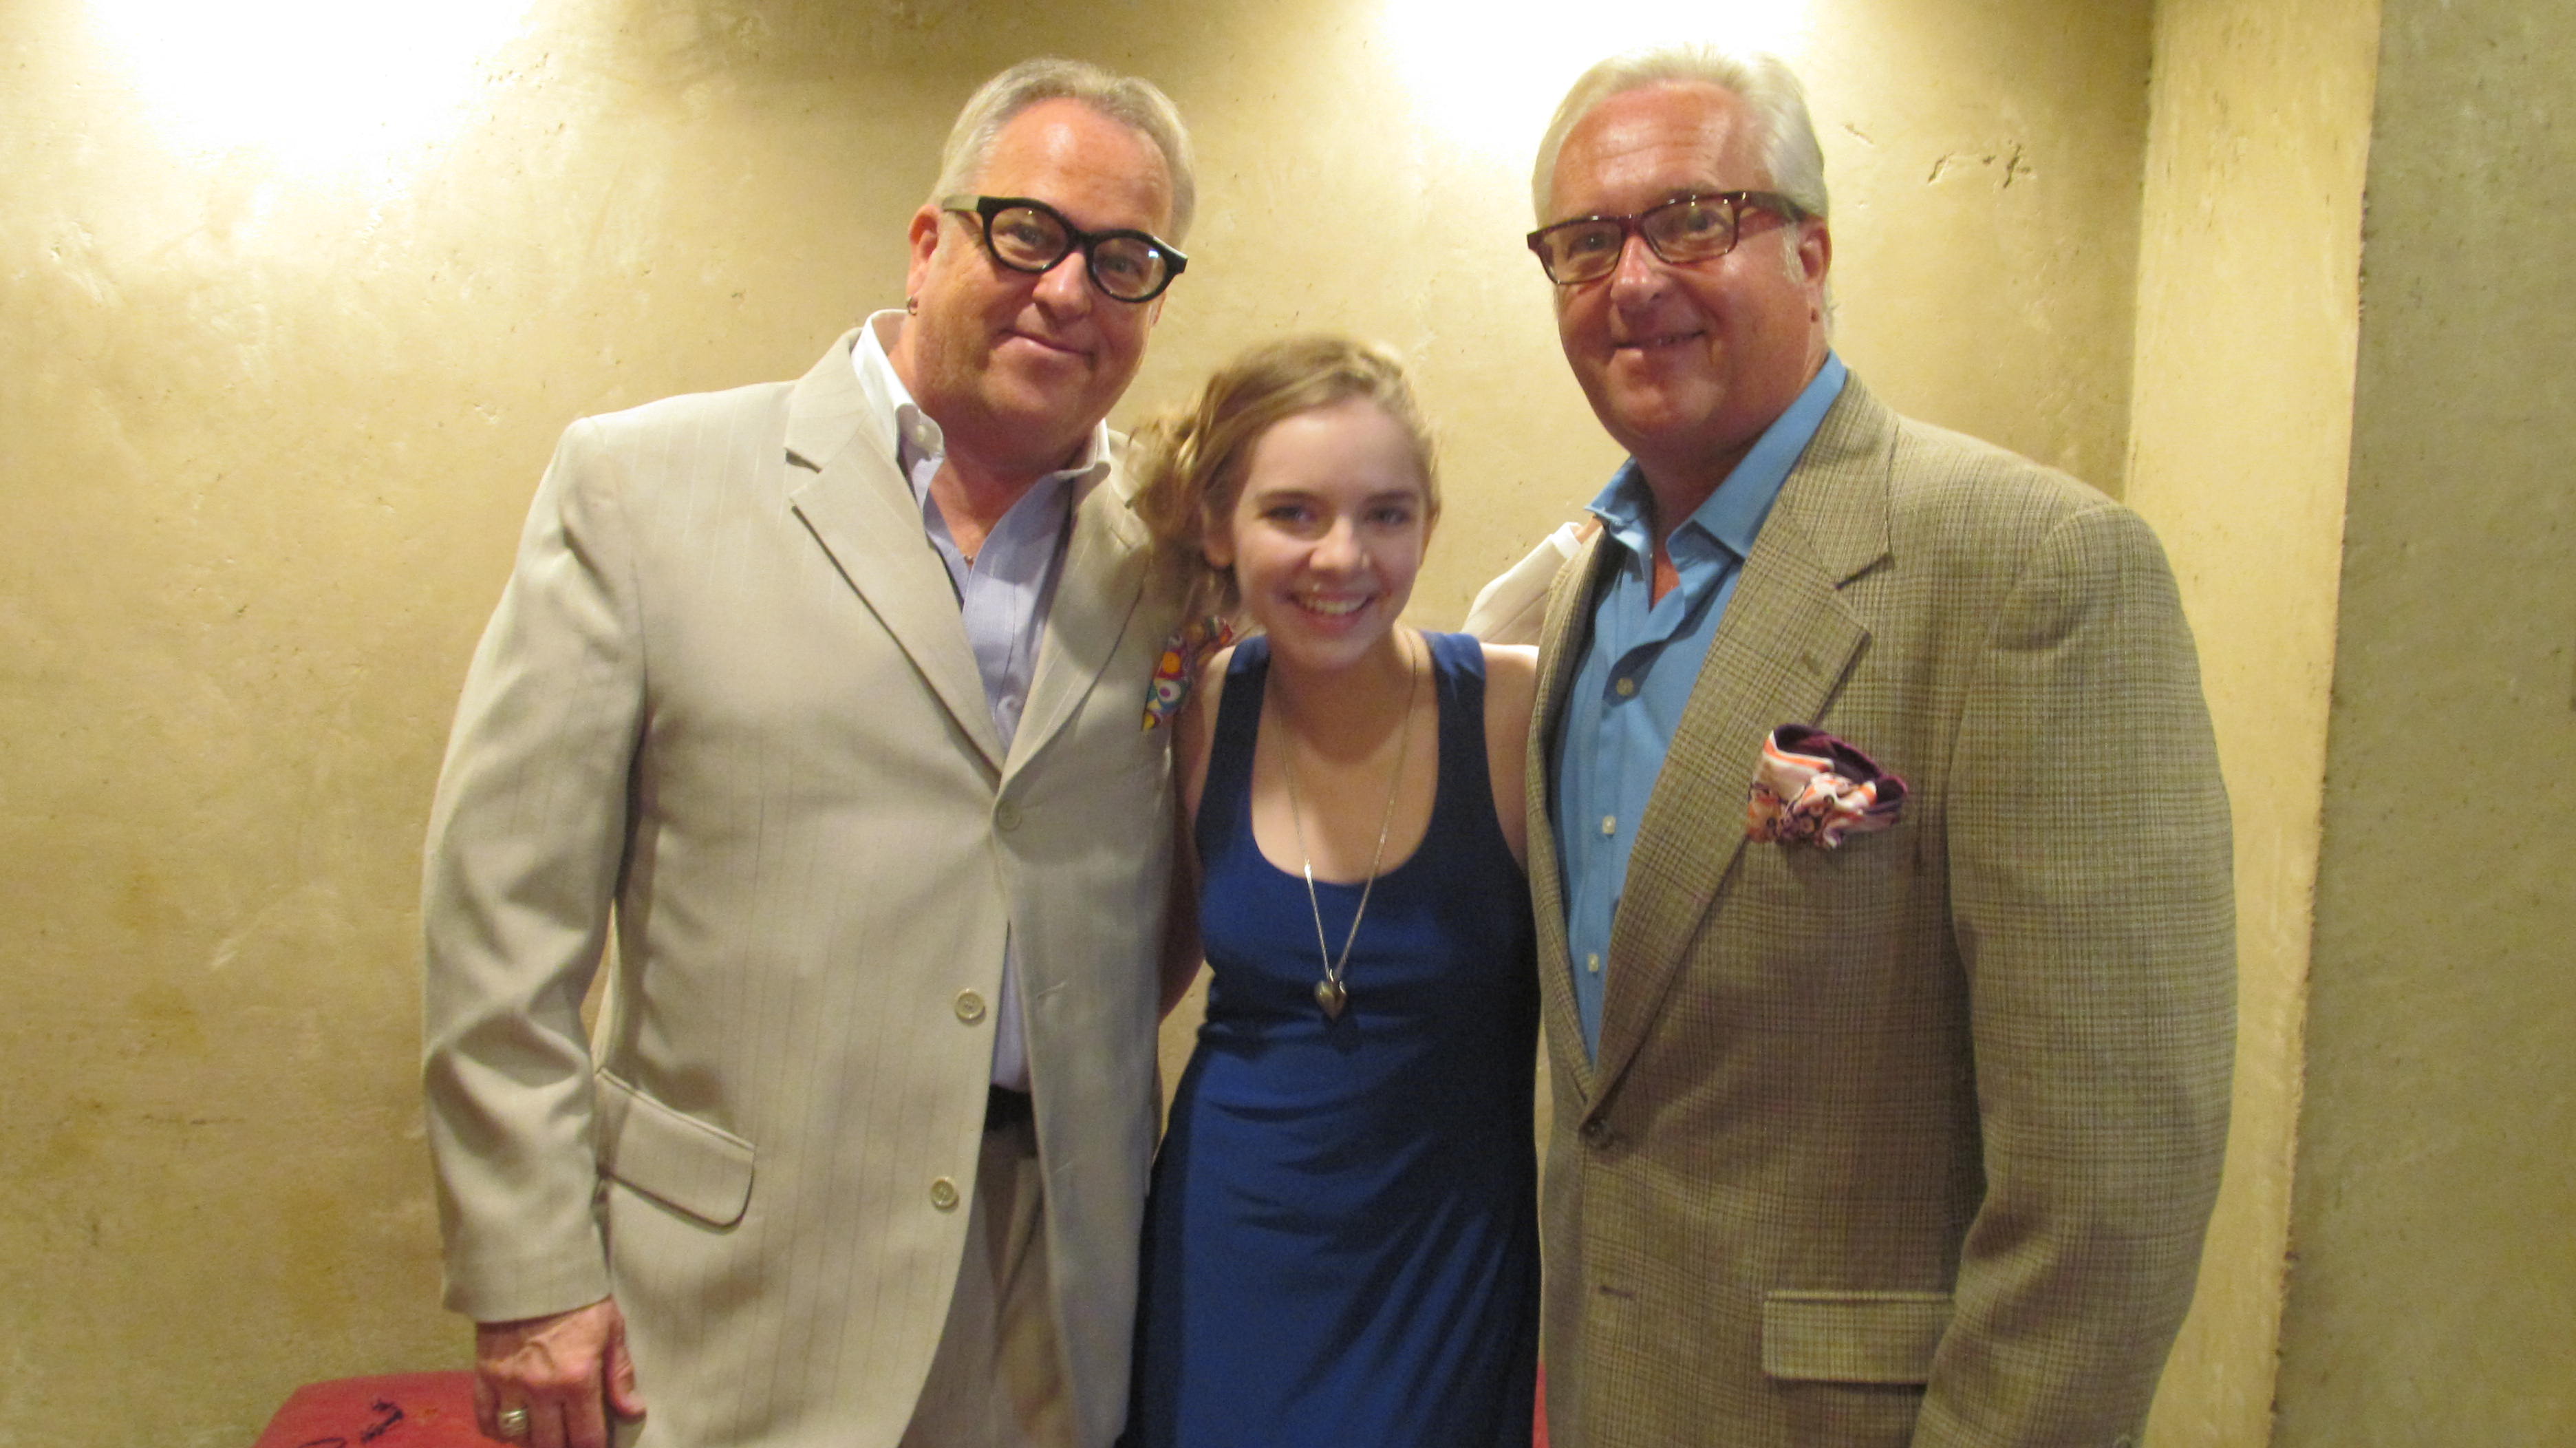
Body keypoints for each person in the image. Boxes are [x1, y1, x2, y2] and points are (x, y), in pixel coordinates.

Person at [420, 57, 1197, 1448]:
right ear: (929, 240)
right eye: (1029, 232)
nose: (1069, 291)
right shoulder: (642, 488)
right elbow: (501, 923)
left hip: (1053, 1298)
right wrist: (530, 1271)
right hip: (725, 1305)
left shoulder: (1174, 548)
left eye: (1124, 261)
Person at [1491, 45, 2237, 1447]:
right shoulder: (1580, 587)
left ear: (1812, 252)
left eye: (1692, 220)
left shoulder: (2032, 570)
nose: (1633, 281)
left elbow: (2113, 1182)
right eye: (1586, 242)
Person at [1119, 337, 1543, 1447]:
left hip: (1443, 1270)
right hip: (1228, 1248)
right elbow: (1147, 964)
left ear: (1427, 526)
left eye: (1384, 515)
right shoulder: (1203, 710)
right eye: (1294, 513)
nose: (1342, 557)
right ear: (1221, 525)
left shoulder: (1514, 714)